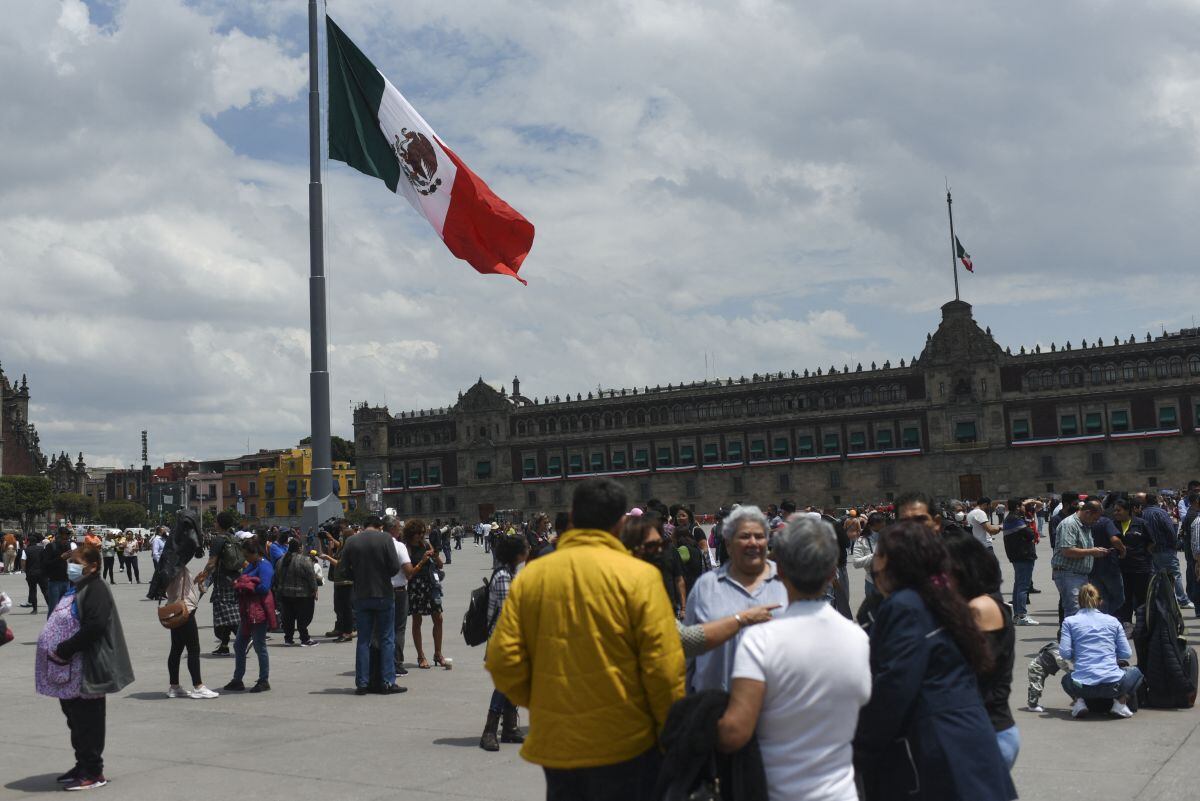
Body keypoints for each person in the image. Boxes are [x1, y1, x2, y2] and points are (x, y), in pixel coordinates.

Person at [486, 478, 684, 801]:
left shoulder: (532, 576)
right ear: (621, 523)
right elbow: (664, 669)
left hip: (559, 743)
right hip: (626, 740)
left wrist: (542, 701)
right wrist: (669, 735)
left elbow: (502, 659)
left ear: (573, 517)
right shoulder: (640, 577)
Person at [854, 520, 1015, 801]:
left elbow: (896, 685)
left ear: (895, 561)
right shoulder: (940, 598)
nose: (874, 564)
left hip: (939, 748)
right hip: (970, 739)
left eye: (879, 554)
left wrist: (861, 745)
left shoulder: (904, 605)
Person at [717, 515, 871, 801]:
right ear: (831, 574)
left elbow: (735, 732)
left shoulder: (760, 640)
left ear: (780, 572)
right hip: (842, 792)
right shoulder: (857, 638)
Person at [36, 543, 133, 791]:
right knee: (75, 720)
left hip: (85, 668)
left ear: (93, 566)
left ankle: (93, 771)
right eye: (71, 561)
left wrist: (65, 648)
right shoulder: (78, 586)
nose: (71, 566)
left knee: (88, 720)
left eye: (77, 563)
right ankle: (82, 764)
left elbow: (95, 626)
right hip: (68, 671)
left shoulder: (96, 588)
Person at [620, 516, 778, 657]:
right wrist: (742, 619)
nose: (661, 551)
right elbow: (684, 639)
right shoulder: (633, 583)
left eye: (663, 544)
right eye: (652, 546)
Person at [684, 504, 788, 692]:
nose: (753, 543)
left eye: (759, 536)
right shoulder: (706, 586)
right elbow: (688, 654)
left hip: (777, 708)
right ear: (728, 543)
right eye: (744, 536)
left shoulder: (788, 583)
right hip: (715, 708)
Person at [943, 526, 1019, 769]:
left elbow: (973, 671)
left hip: (987, 731)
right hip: (981, 730)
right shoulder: (971, 604)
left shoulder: (981, 608)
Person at [339, 515, 404, 695]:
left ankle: (362, 683)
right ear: (380, 526)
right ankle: (387, 681)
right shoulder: (385, 539)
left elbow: (343, 570)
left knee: (363, 640)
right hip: (383, 594)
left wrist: (358, 577)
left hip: (361, 595)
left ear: (364, 525)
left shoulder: (351, 541)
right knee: (386, 638)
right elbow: (393, 568)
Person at [1059, 583, 1143, 718]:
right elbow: (1126, 653)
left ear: (1079, 602)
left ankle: (1079, 702)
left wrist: (1079, 654)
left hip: (1082, 686)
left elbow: (1064, 653)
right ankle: (1120, 703)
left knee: (1066, 679)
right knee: (1137, 672)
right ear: (1100, 601)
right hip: (1113, 684)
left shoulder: (1069, 622)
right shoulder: (1113, 621)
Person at [480, 533, 530, 751]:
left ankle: (509, 728)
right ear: (517, 553)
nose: (529, 549)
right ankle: (489, 731)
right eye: (526, 547)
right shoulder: (502, 577)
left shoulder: (511, 572)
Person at [163, 553, 218, 700]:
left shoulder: (166, 568)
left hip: (174, 608)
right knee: (193, 649)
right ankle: (198, 686)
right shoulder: (177, 568)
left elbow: (178, 587)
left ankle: (174, 686)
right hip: (185, 610)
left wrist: (195, 581)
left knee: (176, 649)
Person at [224, 539, 274, 693]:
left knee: (259, 646)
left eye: (247, 555)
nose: (245, 558)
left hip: (258, 611)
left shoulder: (265, 566)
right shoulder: (252, 565)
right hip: (247, 611)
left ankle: (264, 680)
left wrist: (247, 586)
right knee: (239, 645)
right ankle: (238, 679)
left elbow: (264, 587)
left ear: (255, 553)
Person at [195, 512, 243, 655]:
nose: (214, 524)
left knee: (228, 614)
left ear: (219, 524)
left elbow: (211, 563)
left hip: (223, 583)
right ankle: (224, 645)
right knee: (225, 615)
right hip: (235, 580)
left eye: (216, 522)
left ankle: (245, 638)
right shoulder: (234, 538)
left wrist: (202, 577)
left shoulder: (218, 540)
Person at [1051, 499, 1106, 619]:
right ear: (1087, 512)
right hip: (1068, 573)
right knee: (1074, 611)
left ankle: (1071, 636)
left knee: (1083, 610)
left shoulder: (1085, 524)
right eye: (1095, 518)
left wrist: (1094, 550)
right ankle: (1069, 637)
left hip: (1079, 574)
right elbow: (1067, 551)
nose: (1095, 522)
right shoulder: (1069, 524)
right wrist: (1092, 551)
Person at [402, 518, 446, 669]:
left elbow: (440, 565)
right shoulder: (406, 548)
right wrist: (422, 561)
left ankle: (438, 653)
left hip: (431, 585)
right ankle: (421, 656)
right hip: (416, 586)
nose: (421, 535)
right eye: (418, 533)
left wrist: (435, 556)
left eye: (423, 532)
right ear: (411, 534)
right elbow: (409, 574)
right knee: (417, 621)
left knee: (438, 619)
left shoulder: (426, 544)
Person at [1140, 492, 1192, 607]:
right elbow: (1170, 530)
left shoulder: (1142, 514)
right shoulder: (1161, 513)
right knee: (1175, 574)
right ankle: (1182, 600)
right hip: (1165, 549)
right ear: (1156, 501)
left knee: (1157, 576)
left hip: (1150, 551)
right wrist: (1174, 545)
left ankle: (1161, 599)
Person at [383, 515, 417, 675]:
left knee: (382, 628)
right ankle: (396, 663)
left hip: (379, 591)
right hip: (398, 591)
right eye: (399, 527)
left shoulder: (377, 545)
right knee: (398, 628)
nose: (400, 530)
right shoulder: (399, 546)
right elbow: (409, 572)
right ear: (393, 529)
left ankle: (381, 662)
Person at [1113, 498, 1153, 623]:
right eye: (1114, 510)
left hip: (1140, 568)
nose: (1116, 513)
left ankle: (1142, 624)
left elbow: (1152, 542)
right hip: (1121, 568)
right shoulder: (1113, 524)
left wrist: (1143, 555)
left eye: (1118, 510)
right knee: (1125, 598)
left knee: (1142, 598)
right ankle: (1127, 624)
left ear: (1128, 511)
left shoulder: (1141, 523)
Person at [275, 537, 320, 647]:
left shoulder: (281, 560)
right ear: (300, 548)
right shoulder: (305, 560)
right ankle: (305, 638)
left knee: (288, 617)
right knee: (303, 617)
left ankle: (288, 639)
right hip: (303, 595)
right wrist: (315, 590)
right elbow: (311, 577)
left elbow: (277, 577)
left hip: (285, 594)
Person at [318, 519, 356, 642]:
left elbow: (340, 564)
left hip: (346, 582)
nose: (339, 535)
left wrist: (327, 558)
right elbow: (336, 558)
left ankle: (347, 632)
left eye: (342, 534)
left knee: (346, 609)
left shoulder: (348, 549)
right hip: (339, 581)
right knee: (340, 607)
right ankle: (342, 630)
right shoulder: (342, 547)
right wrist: (329, 549)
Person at [1001, 512, 1039, 625]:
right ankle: (1022, 615)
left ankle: (1018, 615)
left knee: (1018, 585)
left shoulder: (1009, 519)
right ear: (1017, 507)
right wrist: (1029, 522)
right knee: (1023, 586)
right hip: (1023, 555)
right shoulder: (1017, 520)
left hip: (1017, 556)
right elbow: (1031, 534)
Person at [851, 511, 886, 600]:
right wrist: (875, 555)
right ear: (870, 526)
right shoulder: (862, 541)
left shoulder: (889, 537)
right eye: (877, 529)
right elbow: (856, 563)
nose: (881, 531)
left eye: (883, 527)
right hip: (872, 582)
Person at [42, 528, 75, 617]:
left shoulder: (67, 546)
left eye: (67, 539)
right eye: (64, 538)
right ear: (58, 536)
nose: (66, 541)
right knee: (53, 608)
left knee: (65, 608)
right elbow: (46, 564)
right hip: (54, 582)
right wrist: (61, 558)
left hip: (66, 581)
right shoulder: (51, 547)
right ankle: (50, 629)